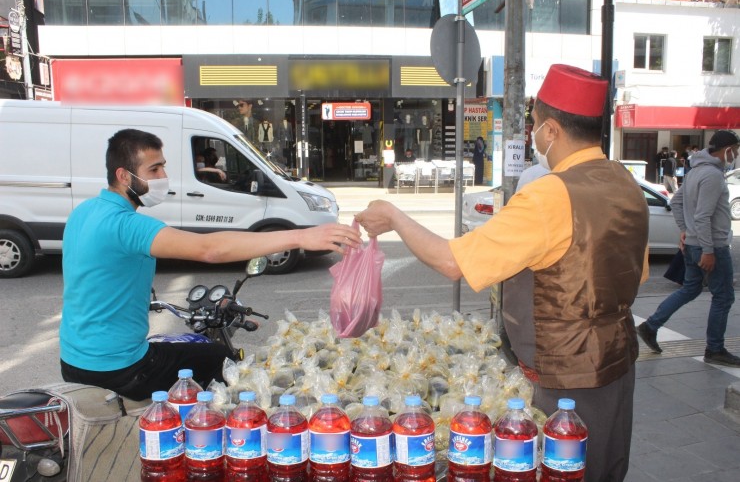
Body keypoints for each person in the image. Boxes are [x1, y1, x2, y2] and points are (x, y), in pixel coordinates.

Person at [356, 64, 649, 482]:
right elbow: (635, 276)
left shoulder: (550, 194)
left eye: (533, 126)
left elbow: (452, 261)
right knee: (606, 468)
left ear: (551, 131)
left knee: (564, 472)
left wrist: (394, 217)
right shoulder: (625, 183)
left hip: (568, 381)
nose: (532, 135)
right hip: (619, 365)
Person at [59, 129, 361, 401]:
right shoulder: (127, 225)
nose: (163, 175)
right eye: (154, 169)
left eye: (163, 165)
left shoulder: (85, 211)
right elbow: (209, 249)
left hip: (73, 362)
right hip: (121, 367)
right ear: (124, 176)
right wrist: (302, 236)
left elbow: (98, 272)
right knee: (216, 357)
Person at [637, 130, 740, 367]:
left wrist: (684, 230)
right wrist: (708, 250)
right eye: (735, 150)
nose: (735, 155)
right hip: (710, 245)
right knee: (723, 297)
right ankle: (715, 349)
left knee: (691, 289)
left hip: (693, 243)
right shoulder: (713, 175)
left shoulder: (696, 171)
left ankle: (650, 325)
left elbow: (677, 202)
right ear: (727, 150)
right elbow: (704, 216)